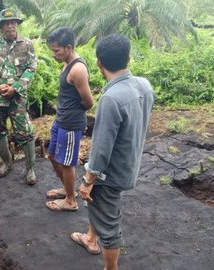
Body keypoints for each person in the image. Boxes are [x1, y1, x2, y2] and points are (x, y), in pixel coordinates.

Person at [71, 34, 154, 270]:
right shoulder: (144, 85)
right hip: (130, 163)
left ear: (98, 62)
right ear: (128, 58)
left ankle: (110, 267)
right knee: (98, 206)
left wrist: (88, 179)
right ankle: (89, 238)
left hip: (111, 173)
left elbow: (101, 149)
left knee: (109, 224)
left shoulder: (111, 99)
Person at [0, 8, 38, 185]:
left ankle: (30, 169)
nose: (10, 26)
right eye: (6, 23)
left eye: (13, 22)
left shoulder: (27, 44)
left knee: (25, 133)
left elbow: (31, 68)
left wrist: (16, 87)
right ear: (1, 27)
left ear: (17, 24)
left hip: (17, 99)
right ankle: (7, 163)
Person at [45, 27, 94, 211]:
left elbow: (88, 102)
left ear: (69, 47)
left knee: (66, 163)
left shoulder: (78, 69)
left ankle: (71, 201)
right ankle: (66, 189)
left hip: (71, 124)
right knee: (52, 156)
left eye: (56, 51)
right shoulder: (67, 62)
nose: (53, 54)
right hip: (60, 120)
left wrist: (73, 112)